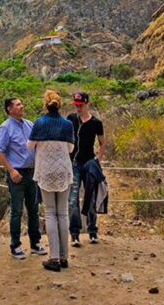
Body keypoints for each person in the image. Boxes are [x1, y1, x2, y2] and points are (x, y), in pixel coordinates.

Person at [0, 97, 47, 259]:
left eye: (21, 103)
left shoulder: (30, 124)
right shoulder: (5, 127)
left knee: (33, 209)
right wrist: (11, 171)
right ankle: (15, 245)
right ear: (10, 109)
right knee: (16, 210)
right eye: (18, 104)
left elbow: (38, 145)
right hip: (16, 174)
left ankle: (35, 243)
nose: (22, 106)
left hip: (32, 173)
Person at [28, 90, 75, 272]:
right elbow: (71, 149)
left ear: (45, 104)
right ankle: (64, 257)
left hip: (46, 171)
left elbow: (29, 146)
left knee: (50, 213)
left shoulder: (40, 123)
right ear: (60, 104)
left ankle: (53, 257)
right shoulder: (67, 124)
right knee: (62, 213)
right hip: (64, 170)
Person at [67, 91, 107, 246]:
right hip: (74, 163)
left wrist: (98, 159)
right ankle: (75, 233)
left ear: (87, 104)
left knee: (90, 197)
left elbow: (103, 142)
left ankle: (92, 230)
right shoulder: (71, 119)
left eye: (80, 105)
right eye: (76, 105)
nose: (78, 108)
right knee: (73, 199)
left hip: (89, 162)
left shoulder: (96, 123)